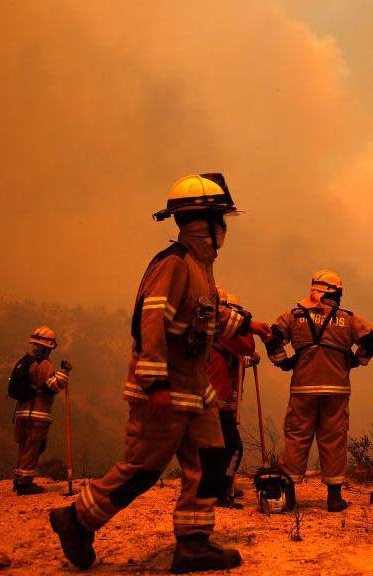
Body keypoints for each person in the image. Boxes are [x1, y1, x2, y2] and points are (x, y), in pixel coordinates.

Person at [49, 173, 270, 573]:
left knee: (211, 463)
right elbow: (150, 322)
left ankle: (193, 544)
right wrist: (154, 385)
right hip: (167, 389)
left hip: (196, 392)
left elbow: (201, 318)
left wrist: (246, 324)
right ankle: (77, 519)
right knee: (142, 470)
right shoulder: (174, 264)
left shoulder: (202, 268)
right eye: (220, 218)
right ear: (202, 221)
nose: (224, 228)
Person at [265, 269, 373, 512]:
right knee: (334, 439)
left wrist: (283, 361)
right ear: (334, 293)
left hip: (303, 388)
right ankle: (334, 497)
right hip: (336, 390)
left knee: (297, 437)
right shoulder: (348, 318)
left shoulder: (294, 316)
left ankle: (287, 495)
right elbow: (372, 341)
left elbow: (271, 336)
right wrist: (356, 361)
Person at [208, 289, 257, 508]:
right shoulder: (224, 333)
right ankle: (221, 490)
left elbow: (229, 358)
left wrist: (247, 361)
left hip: (207, 399)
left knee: (211, 448)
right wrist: (245, 326)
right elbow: (246, 346)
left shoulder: (209, 333)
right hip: (219, 401)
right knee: (233, 447)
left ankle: (214, 488)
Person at [10, 326, 70, 495]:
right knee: (33, 448)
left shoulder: (26, 362)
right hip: (38, 414)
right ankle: (25, 484)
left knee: (23, 447)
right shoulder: (43, 365)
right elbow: (53, 386)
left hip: (21, 413)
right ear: (48, 346)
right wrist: (64, 372)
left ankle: (18, 478)